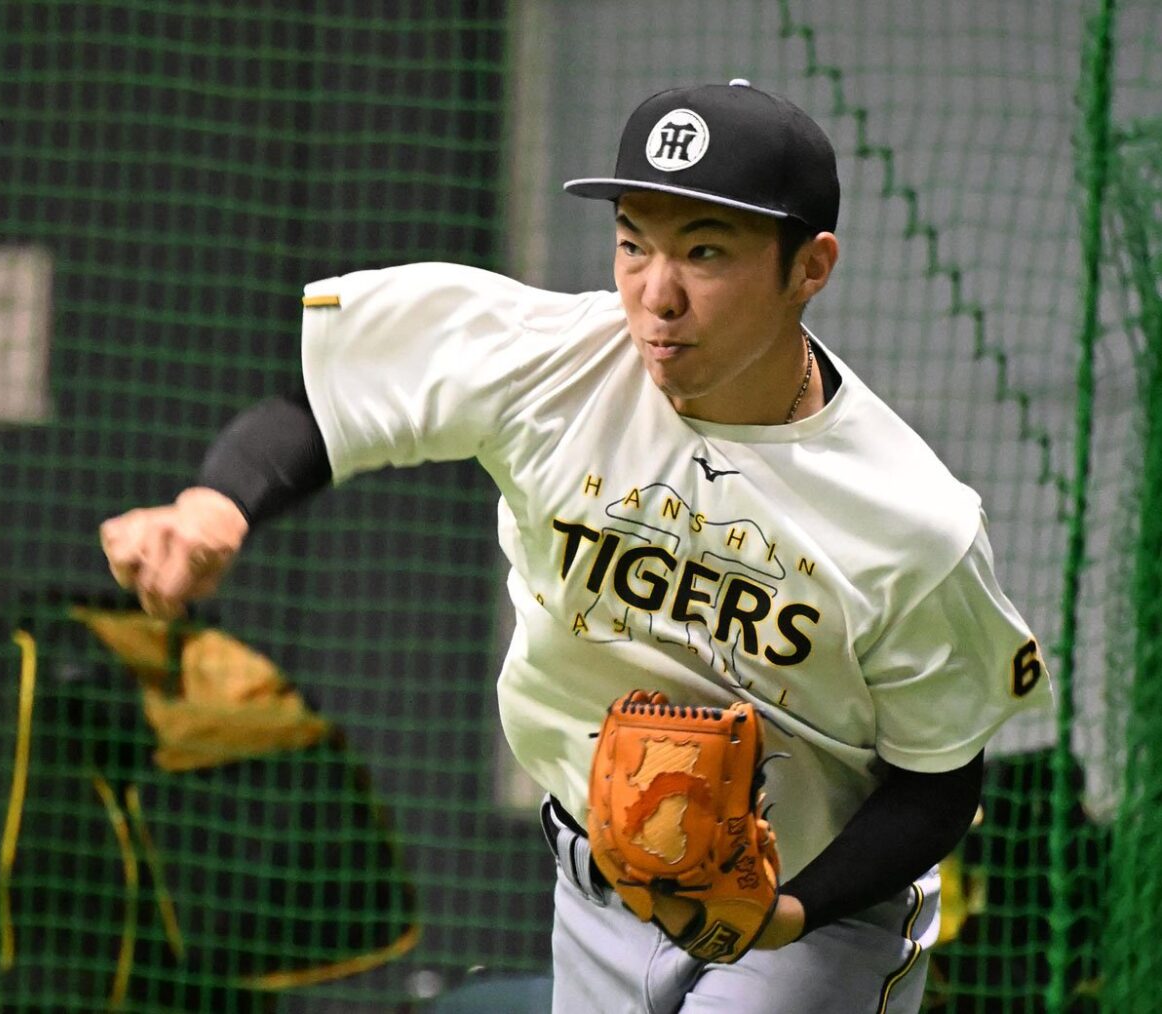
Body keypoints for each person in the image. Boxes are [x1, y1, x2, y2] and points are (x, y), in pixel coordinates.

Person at [99, 80, 1052, 1013]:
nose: (657, 294)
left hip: (811, 915)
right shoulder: (550, 362)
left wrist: (781, 914)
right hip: (596, 886)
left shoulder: (911, 520)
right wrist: (216, 506)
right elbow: (326, 403)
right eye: (634, 246)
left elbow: (939, 785)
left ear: (811, 266)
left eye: (706, 252)